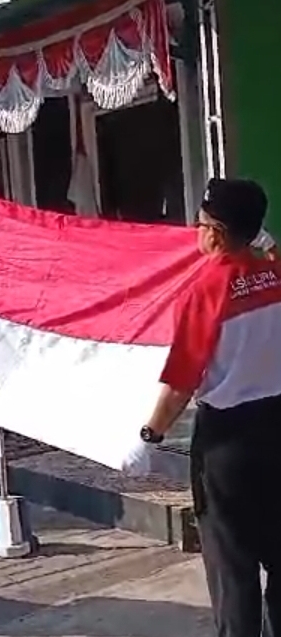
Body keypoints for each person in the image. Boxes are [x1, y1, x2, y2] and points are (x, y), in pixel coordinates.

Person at [124, 178, 281, 636]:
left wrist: (149, 435)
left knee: (233, 569)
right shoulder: (277, 275)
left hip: (228, 446)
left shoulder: (205, 291)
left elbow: (180, 384)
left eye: (198, 224)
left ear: (214, 232)